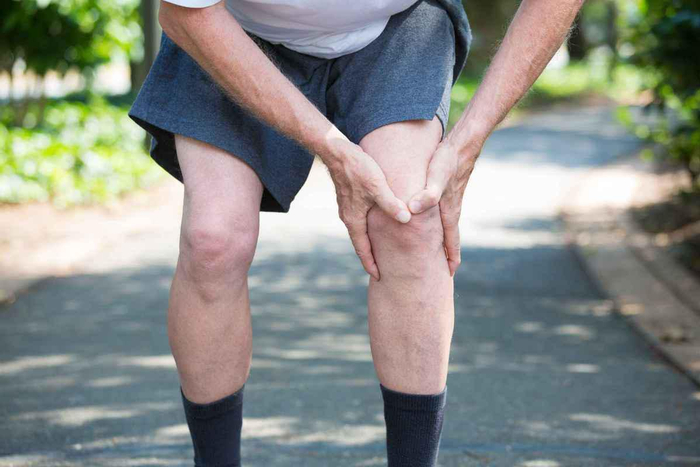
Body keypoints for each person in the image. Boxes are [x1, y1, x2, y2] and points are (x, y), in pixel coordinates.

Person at [128, 0, 583, 465]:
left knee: (409, 220)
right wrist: (333, 149)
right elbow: (185, 13)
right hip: (232, 30)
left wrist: (469, 140)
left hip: (394, 26)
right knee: (214, 241)